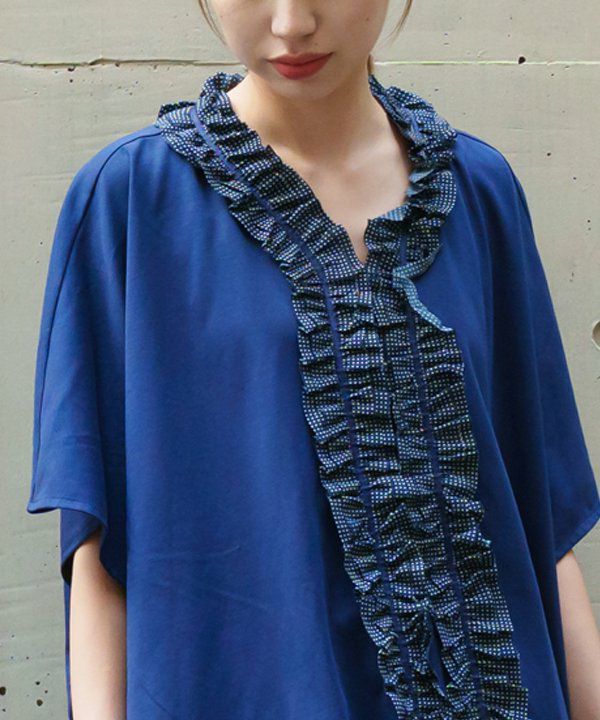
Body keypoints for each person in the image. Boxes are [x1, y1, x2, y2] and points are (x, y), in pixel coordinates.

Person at [25, 1, 600, 719]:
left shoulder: (479, 191)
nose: (292, 23)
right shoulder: (130, 202)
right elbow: (97, 554)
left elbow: (541, 524)